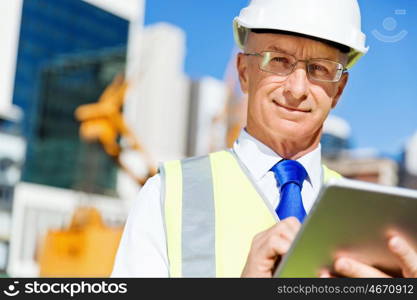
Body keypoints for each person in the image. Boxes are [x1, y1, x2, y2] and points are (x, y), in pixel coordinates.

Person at [112, 0, 417, 278]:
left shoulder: (367, 217)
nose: (297, 89)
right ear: (244, 72)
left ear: (338, 90)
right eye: (279, 60)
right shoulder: (168, 196)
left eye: (319, 69)